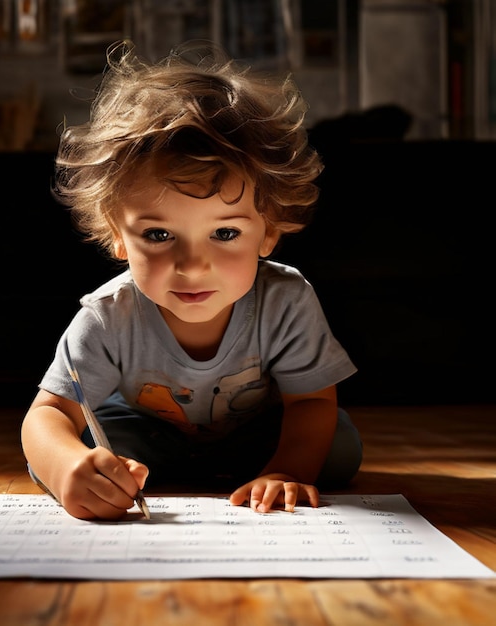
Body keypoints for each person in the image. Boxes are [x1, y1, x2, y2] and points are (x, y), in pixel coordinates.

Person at [21, 40, 363, 521]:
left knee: (339, 446)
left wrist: (286, 470)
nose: (193, 265)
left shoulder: (286, 299)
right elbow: (47, 415)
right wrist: (69, 467)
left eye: (225, 233)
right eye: (159, 234)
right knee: (73, 450)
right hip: (143, 436)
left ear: (268, 231)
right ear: (117, 236)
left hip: (256, 434)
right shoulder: (107, 314)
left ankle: (256, 470)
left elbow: (309, 401)